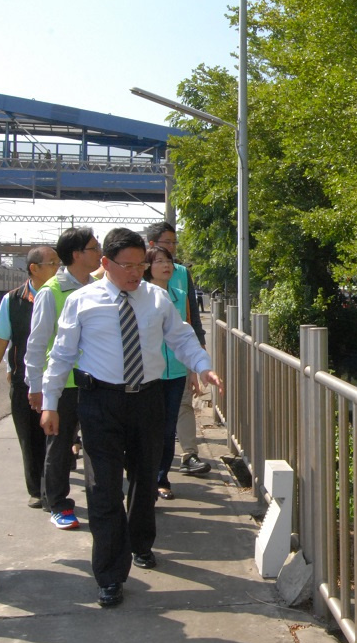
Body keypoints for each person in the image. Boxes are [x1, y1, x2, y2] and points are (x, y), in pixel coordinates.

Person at [40, 228, 220, 608]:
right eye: (128, 266)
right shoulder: (82, 301)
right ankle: (109, 574)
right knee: (102, 488)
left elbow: (181, 337)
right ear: (105, 264)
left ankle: (140, 543)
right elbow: (61, 353)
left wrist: (202, 365)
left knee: (144, 478)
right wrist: (49, 401)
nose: (136, 273)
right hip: (99, 402)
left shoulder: (156, 299)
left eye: (141, 265)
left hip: (147, 401)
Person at [25, 228, 101, 531]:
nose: (99, 253)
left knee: (98, 446)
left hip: (96, 382)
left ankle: (100, 501)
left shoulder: (99, 287)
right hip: (64, 384)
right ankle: (57, 503)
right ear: (77, 254)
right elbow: (36, 343)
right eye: (94, 248)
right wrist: (37, 388)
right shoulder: (51, 292)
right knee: (59, 447)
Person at [0, 246, 62, 509]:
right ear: (34, 269)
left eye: (58, 262)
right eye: (52, 263)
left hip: (62, 379)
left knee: (58, 438)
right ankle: (38, 489)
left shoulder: (68, 294)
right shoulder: (13, 300)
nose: (57, 268)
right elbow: (0, 340)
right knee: (30, 438)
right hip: (24, 379)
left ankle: (54, 489)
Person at [144, 221, 211, 477]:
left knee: (182, 405)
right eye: (166, 244)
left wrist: (198, 358)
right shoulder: (137, 281)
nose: (172, 250)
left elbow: (191, 316)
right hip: (149, 365)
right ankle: (151, 467)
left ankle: (188, 455)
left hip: (178, 357)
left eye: (174, 243)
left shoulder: (182, 273)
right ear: (152, 247)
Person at [141, 246, 188, 501]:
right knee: (147, 428)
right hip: (148, 372)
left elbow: (186, 333)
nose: (166, 265)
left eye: (168, 260)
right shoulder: (140, 295)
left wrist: (193, 368)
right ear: (147, 266)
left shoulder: (179, 294)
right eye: (159, 261)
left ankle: (161, 477)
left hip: (176, 372)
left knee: (168, 429)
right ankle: (141, 474)